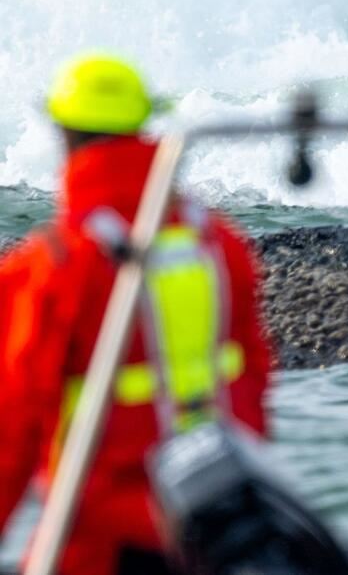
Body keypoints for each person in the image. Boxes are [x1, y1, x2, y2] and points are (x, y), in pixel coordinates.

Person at [0, 54, 273, 575]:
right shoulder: (218, 247)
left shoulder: (52, 266)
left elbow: (10, 429)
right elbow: (253, 381)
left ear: (65, 136)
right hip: (213, 525)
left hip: (100, 539)